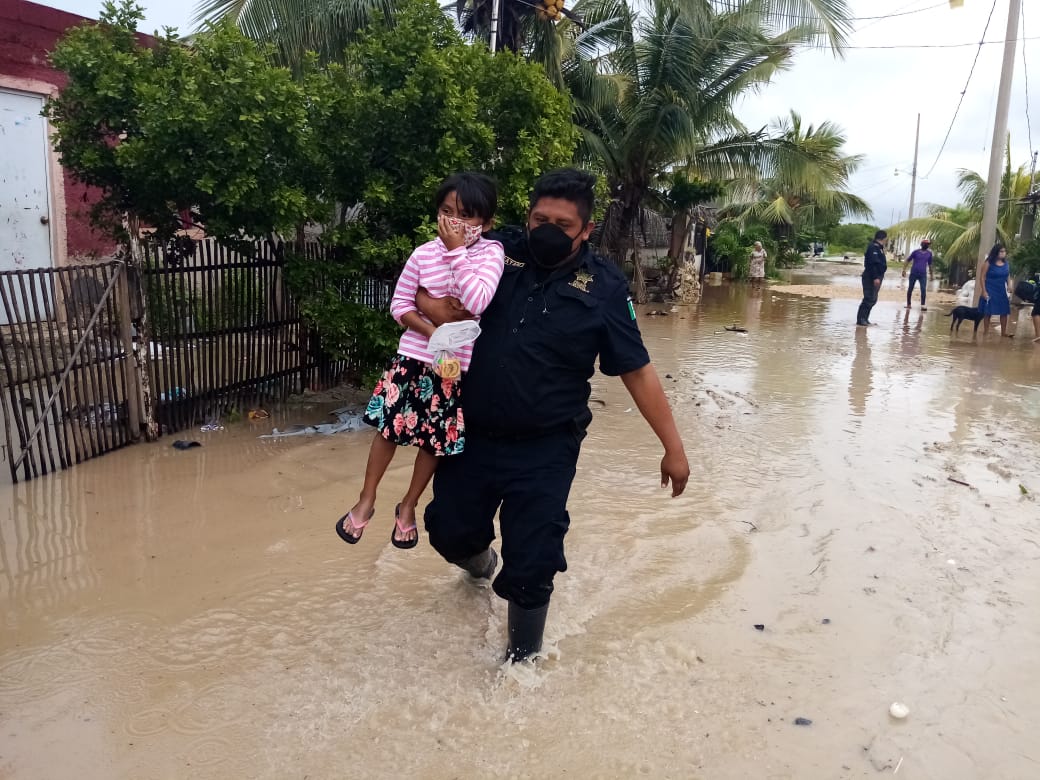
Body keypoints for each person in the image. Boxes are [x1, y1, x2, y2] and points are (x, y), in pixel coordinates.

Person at [416, 168, 690, 663]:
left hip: (546, 446)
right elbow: (425, 278)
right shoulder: (494, 251)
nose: (545, 229)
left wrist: (673, 447)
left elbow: (638, 371)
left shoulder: (604, 288)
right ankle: (480, 566)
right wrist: (435, 311)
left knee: (534, 560)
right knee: (448, 532)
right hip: (471, 434)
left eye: (562, 225)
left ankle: (520, 665)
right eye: (538, 218)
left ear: (586, 231)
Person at [335, 172, 505, 548]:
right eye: (446, 211)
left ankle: (408, 506)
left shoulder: (490, 255)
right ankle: (367, 499)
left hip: (454, 367)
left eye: (465, 215)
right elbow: (399, 305)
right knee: (388, 430)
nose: (453, 222)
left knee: (433, 441)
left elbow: (477, 302)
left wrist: (457, 252)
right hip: (413, 355)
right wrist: (434, 332)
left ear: (487, 222)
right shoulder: (422, 253)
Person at [856, 230, 888, 327]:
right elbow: (872, 264)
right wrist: (875, 277)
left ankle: (865, 319)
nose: (887, 241)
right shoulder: (873, 247)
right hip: (871, 277)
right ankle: (861, 320)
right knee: (869, 298)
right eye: (886, 239)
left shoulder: (879, 248)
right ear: (883, 238)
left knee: (873, 299)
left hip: (876, 276)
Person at [980, 243, 1013, 337]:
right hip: (990, 288)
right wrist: (984, 291)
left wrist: (1009, 285)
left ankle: (1003, 333)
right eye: (1001, 251)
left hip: (1001, 289)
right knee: (988, 311)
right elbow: (982, 277)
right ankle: (985, 332)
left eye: (1004, 251)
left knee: (1004, 311)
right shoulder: (988, 263)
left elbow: (1007, 275)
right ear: (996, 252)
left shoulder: (1006, 263)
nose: (1003, 253)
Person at [902, 238, 933, 310]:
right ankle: (908, 304)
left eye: (928, 244)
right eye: (925, 244)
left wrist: (931, 275)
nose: (926, 245)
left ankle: (923, 305)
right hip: (914, 273)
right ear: (922, 244)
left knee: (923, 289)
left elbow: (930, 264)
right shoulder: (915, 252)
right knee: (910, 288)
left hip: (923, 274)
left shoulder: (929, 254)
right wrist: (904, 270)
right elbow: (907, 260)